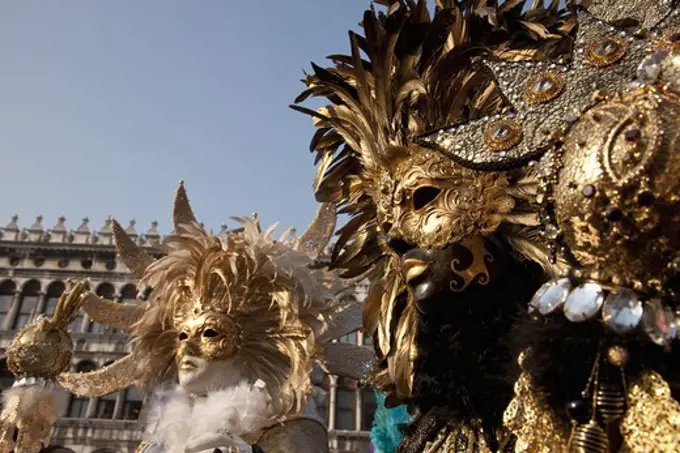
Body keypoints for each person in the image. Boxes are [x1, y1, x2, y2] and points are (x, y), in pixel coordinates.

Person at [294, 0, 680, 451]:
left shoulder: (595, 381)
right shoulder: (438, 423)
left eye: (423, 197)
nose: (395, 236)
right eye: (383, 219)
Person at [0, 182, 371, 453]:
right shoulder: (160, 437)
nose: (186, 349)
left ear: (255, 345)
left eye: (210, 333)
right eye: (180, 336)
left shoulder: (290, 432)